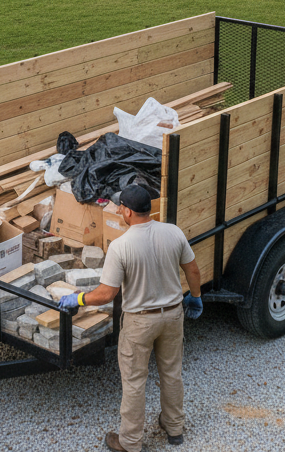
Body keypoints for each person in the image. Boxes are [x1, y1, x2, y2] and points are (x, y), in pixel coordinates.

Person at [58, 185, 203, 452]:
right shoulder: (173, 232)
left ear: (126, 211)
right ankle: (174, 429)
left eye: (120, 207)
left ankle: (131, 442)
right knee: (172, 374)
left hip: (140, 322)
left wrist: (78, 299)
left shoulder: (121, 246)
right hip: (172, 316)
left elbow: (106, 294)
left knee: (135, 381)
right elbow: (192, 269)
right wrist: (195, 296)